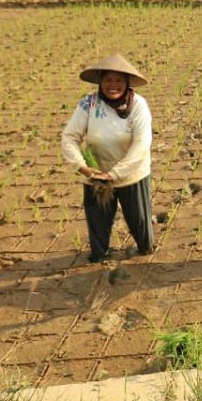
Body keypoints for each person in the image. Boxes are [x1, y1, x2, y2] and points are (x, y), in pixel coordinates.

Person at [61, 54, 154, 263]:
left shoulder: (139, 105)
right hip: (95, 174)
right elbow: (69, 137)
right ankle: (99, 256)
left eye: (118, 81)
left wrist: (114, 174)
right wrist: (82, 167)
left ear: (127, 83)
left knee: (140, 226)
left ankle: (144, 251)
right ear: (101, 82)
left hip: (131, 175)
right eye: (108, 80)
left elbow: (141, 145)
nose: (113, 85)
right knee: (98, 227)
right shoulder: (88, 104)